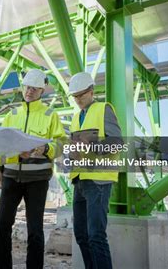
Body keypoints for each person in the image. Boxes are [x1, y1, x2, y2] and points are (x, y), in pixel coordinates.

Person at [0, 69, 65, 269]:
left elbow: (61, 143)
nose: (29, 91)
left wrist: (46, 148)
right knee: (1, 226)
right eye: (27, 87)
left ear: (42, 91)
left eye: (34, 88)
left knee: (35, 230)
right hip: (11, 177)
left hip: (37, 180)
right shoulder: (11, 115)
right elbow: (1, 143)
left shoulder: (51, 115)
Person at [67, 72, 123, 269]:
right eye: (75, 96)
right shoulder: (76, 118)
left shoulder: (103, 109)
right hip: (79, 180)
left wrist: (91, 146)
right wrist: (70, 154)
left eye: (81, 95)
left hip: (98, 180)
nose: (78, 100)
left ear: (91, 91)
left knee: (96, 236)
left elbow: (117, 143)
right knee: (81, 235)